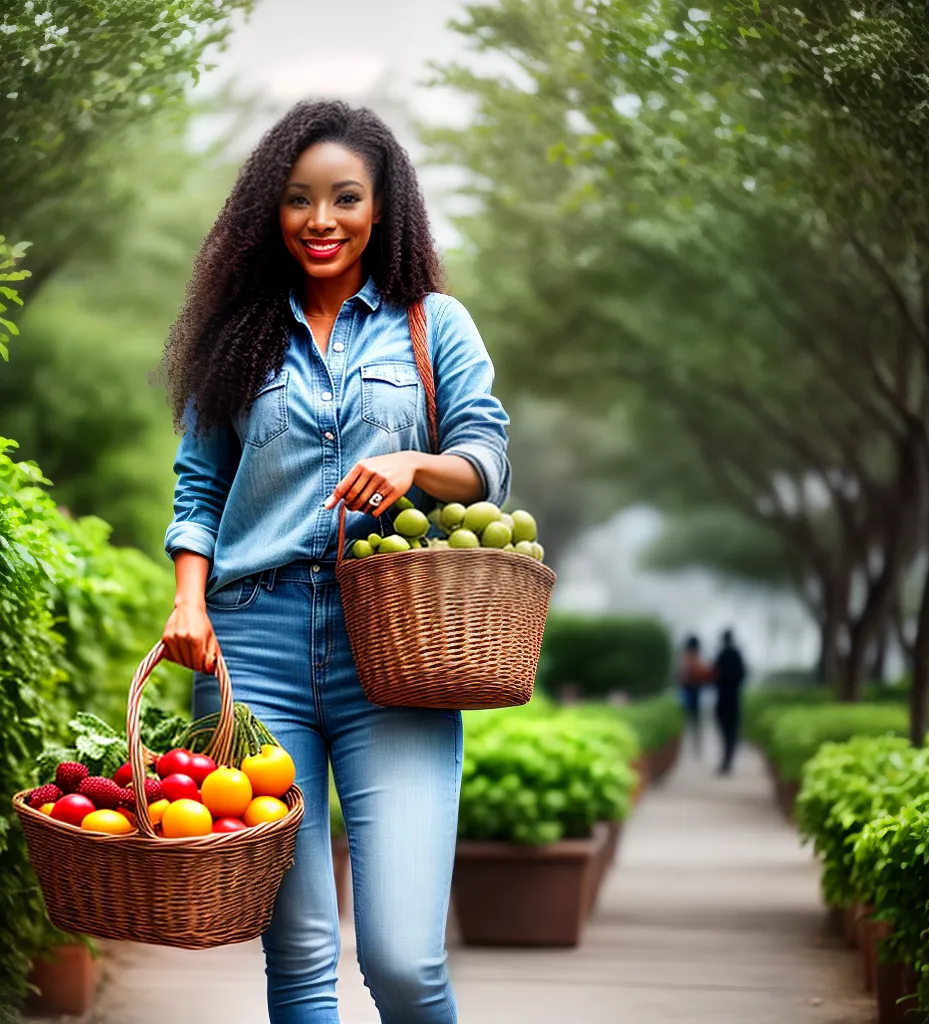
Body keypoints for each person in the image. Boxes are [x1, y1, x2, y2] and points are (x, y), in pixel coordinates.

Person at [159, 100, 510, 1024]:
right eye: (298, 200)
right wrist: (188, 602)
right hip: (251, 646)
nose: (322, 220)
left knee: (403, 960)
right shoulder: (238, 336)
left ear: (382, 208)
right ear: (268, 214)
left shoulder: (434, 325)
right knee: (302, 954)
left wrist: (412, 464)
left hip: (394, 653)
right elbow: (199, 488)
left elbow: (485, 457)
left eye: (345, 198)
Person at [713, 629, 747, 775]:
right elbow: (743, 674)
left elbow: (715, 675)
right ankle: (728, 760)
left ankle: (726, 761)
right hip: (734, 698)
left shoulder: (722, 655)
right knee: (732, 731)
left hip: (723, 698)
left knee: (725, 731)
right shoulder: (736, 654)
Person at [678, 635, 714, 756]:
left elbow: (682, 676)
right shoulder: (694, 657)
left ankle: (693, 746)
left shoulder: (686, 657)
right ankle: (696, 746)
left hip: (688, 692)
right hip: (694, 692)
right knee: (695, 721)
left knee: (690, 720)